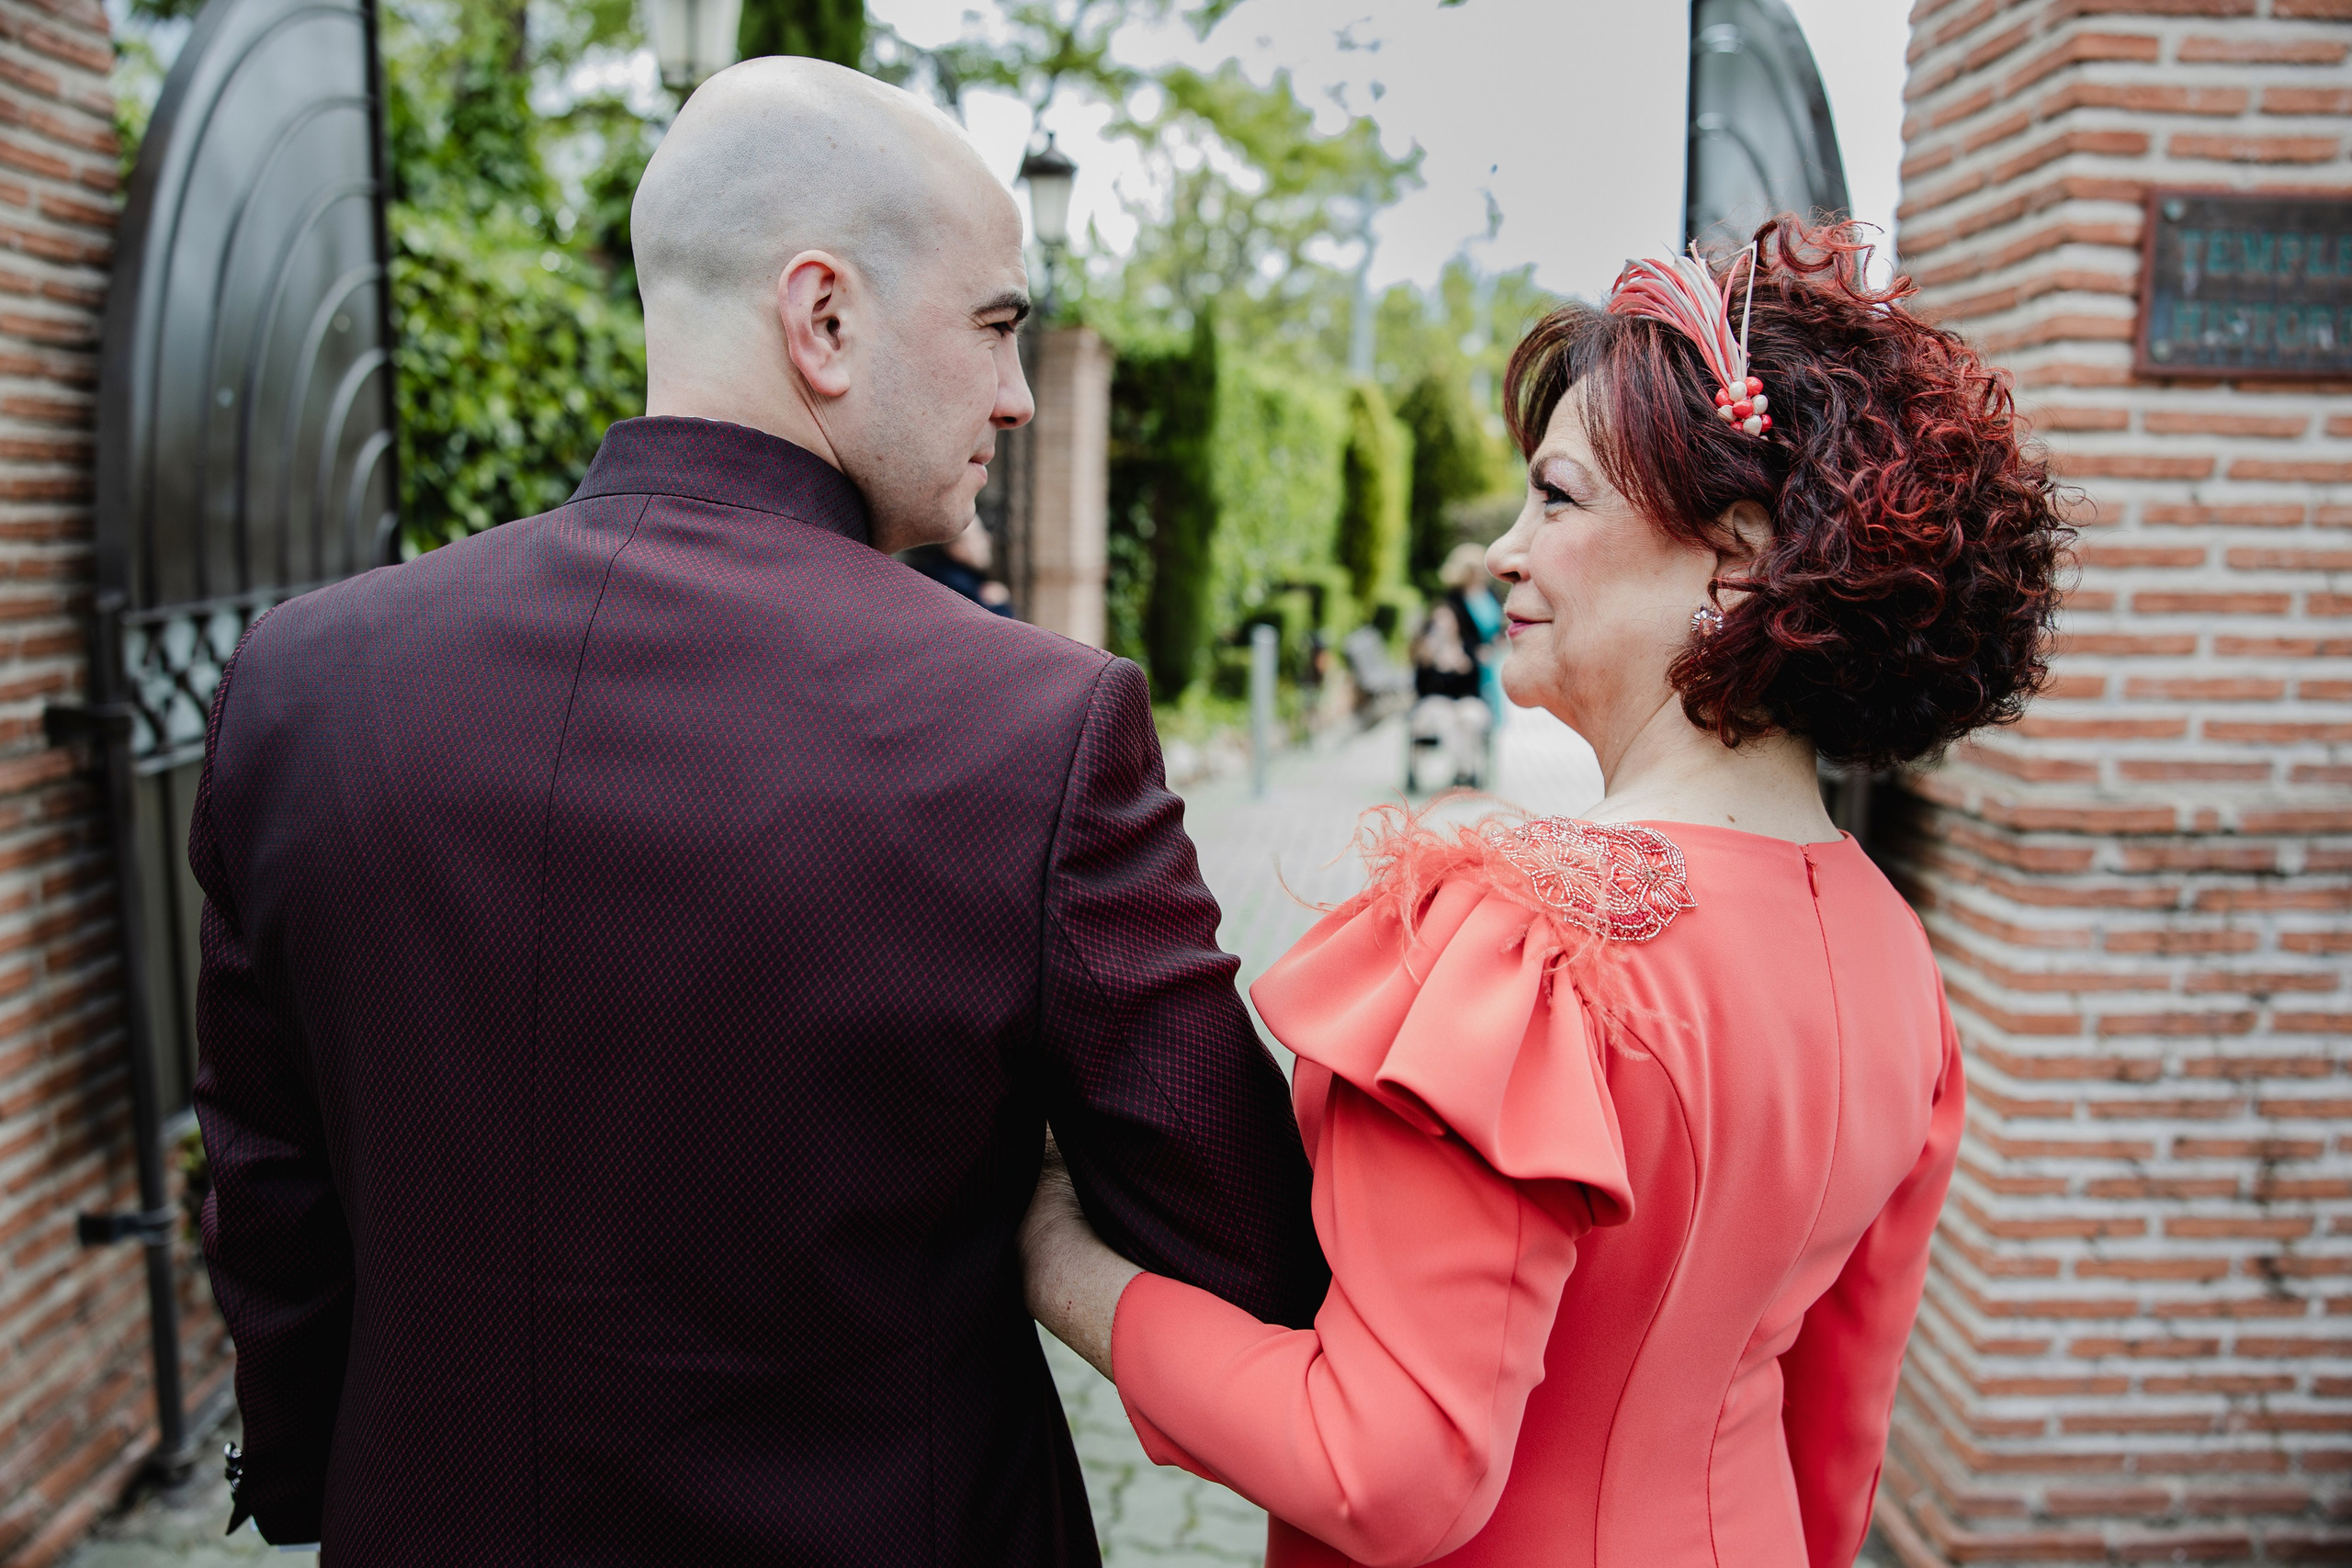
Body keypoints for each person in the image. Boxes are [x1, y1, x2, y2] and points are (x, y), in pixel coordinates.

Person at [190, 58, 1324, 1566]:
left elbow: (270, 1195)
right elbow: (1243, 1235)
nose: (1015, 393)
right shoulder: (1039, 728)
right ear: (825, 319)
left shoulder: (302, 682)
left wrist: (321, 1482)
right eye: (996, 325)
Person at [1022, 215, 2068, 1568]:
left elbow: (1381, 1469)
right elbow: (1838, 1440)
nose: (1506, 551)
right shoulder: (1891, 948)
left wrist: (1063, 1263)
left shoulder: (1531, 946)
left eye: (1557, 499)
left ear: (1738, 557)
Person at [1408, 542, 1502, 788]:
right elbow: (1421, 684)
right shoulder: (1453, 603)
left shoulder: (1488, 595)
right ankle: (1464, 772)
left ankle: (1465, 773)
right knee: (1449, 718)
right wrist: (1436, 661)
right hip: (1441, 700)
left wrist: (1467, 660)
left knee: (1469, 716)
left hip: (1475, 681)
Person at [907, 516, 1015, 614]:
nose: (987, 538)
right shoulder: (954, 587)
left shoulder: (960, 580)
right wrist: (999, 605)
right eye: (978, 535)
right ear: (955, 548)